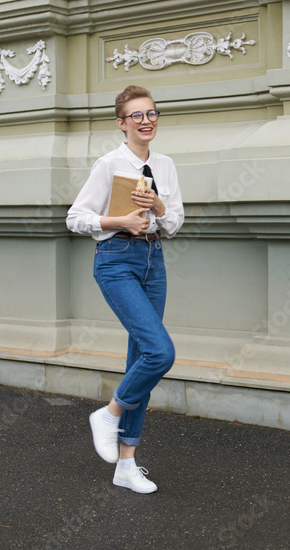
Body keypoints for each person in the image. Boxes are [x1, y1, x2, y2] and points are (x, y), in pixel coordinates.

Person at [66, 85, 184, 494]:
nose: (147, 120)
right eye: (137, 115)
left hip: (154, 260)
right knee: (160, 351)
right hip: (116, 260)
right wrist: (120, 222)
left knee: (141, 358)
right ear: (122, 123)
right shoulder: (108, 164)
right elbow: (75, 218)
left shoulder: (165, 165)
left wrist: (157, 207)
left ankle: (126, 464)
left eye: (152, 113)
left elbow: (174, 223)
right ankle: (109, 413)